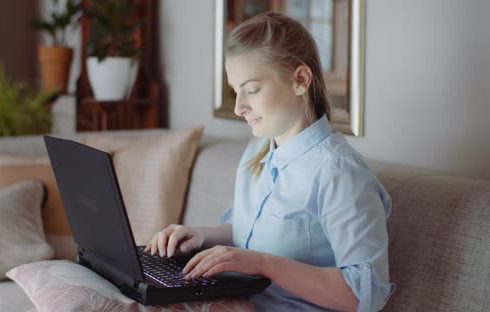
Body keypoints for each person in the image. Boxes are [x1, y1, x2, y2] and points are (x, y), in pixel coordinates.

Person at [145, 12, 395, 312]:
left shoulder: (339, 172)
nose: (239, 107)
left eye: (251, 89)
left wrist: (265, 265)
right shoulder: (257, 152)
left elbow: (364, 293)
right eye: (235, 91)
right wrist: (200, 235)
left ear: (300, 80)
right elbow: (246, 233)